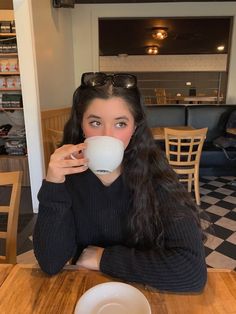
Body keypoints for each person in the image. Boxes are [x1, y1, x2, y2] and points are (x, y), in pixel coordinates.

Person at [33, 72, 207, 292]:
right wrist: (53, 183)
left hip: (144, 294)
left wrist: (104, 258)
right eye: (95, 122)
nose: (107, 135)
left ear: (135, 128)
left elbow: (192, 272)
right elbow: (50, 263)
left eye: (120, 124)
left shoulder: (157, 176)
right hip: (87, 293)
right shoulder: (69, 177)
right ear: (81, 124)